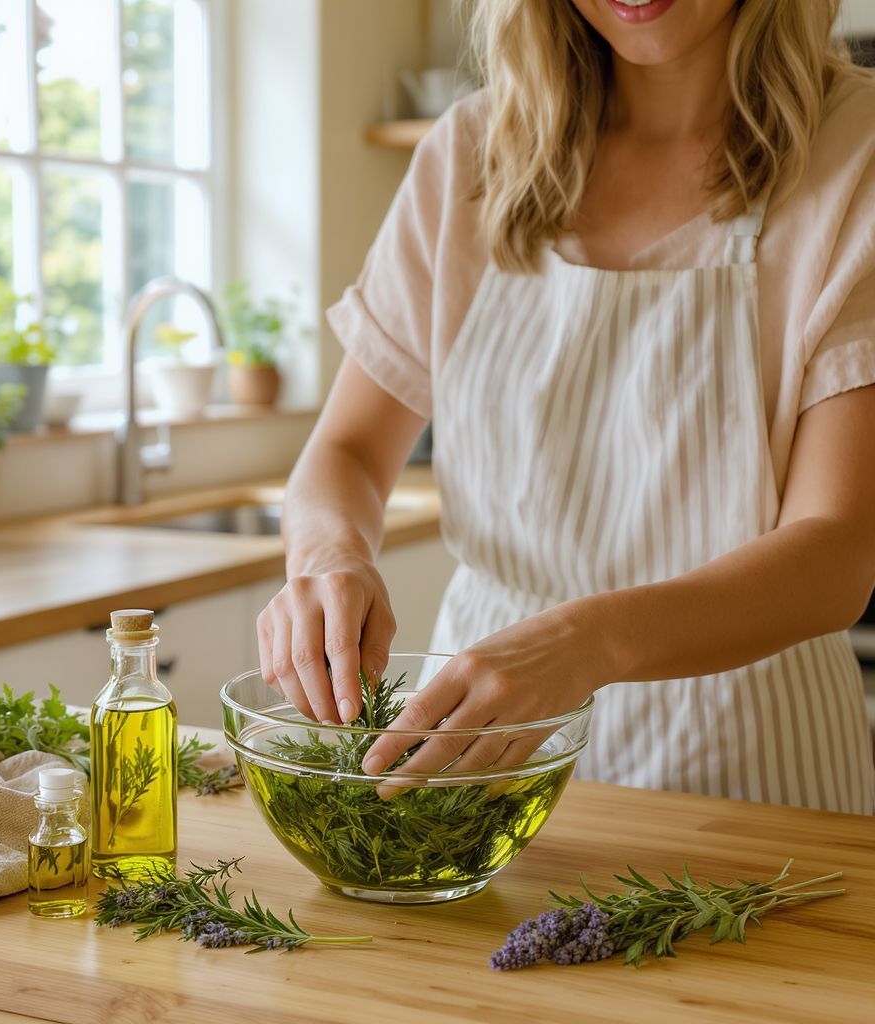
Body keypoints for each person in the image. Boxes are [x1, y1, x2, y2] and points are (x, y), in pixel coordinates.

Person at [257, 0, 875, 813]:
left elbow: (835, 555)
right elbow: (344, 454)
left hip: (749, 754)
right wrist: (330, 556)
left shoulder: (855, 150)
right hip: (477, 755)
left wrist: (588, 642)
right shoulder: (471, 153)